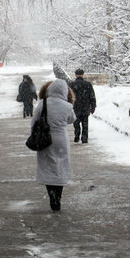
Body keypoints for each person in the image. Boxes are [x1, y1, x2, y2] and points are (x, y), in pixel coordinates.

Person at [31, 78, 75, 212]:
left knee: (47, 166)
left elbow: (34, 121)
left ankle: (52, 196)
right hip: (61, 140)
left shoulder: (42, 103)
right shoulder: (67, 106)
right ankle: (58, 197)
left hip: (45, 138)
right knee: (60, 166)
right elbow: (71, 119)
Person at [69, 68, 96, 143]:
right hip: (85, 107)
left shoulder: (71, 84)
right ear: (83, 75)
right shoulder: (88, 84)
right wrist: (93, 106)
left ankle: (77, 135)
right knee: (85, 124)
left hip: (75, 108)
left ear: (76, 75)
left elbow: (69, 97)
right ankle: (84, 138)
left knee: (76, 123)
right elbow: (92, 96)